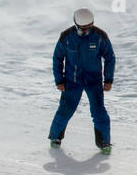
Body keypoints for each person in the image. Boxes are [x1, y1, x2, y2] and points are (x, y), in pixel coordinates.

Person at [49, 8, 116, 153]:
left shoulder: (100, 36)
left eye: (89, 28)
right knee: (65, 111)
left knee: (99, 112)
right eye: (82, 29)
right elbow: (58, 59)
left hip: (94, 82)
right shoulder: (66, 37)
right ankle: (55, 137)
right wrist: (59, 80)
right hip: (72, 82)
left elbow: (109, 58)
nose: (86, 31)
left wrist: (108, 80)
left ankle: (104, 143)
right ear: (76, 25)